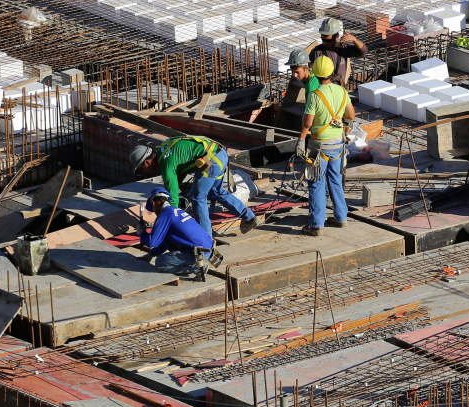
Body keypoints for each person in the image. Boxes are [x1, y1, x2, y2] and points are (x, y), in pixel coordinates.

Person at [129, 137, 263, 237]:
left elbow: (173, 199)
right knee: (216, 191)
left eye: (142, 168)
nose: (144, 172)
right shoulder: (164, 148)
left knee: (197, 197)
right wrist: (178, 186)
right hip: (219, 154)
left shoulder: (166, 164)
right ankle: (250, 218)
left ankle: (205, 236)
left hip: (210, 162)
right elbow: (182, 164)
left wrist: (169, 221)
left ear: (147, 162)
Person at [296, 55, 355, 236]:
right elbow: (351, 116)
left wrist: (301, 139)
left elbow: (307, 122)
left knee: (315, 182)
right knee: (336, 179)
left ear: (315, 72)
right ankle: (341, 217)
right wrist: (340, 125)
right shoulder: (341, 91)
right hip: (338, 143)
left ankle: (316, 225)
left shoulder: (314, 96)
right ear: (331, 72)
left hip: (317, 145)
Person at [139, 187, 222, 277]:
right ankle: (195, 264)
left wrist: (141, 232)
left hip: (198, 253)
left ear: (154, 203)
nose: (154, 211)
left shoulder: (165, 215)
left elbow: (152, 242)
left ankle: (196, 268)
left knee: (161, 263)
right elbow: (164, 241)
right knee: (166, 236)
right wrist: (151, 254)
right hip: (207, 249)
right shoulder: (176, 211)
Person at [308, 18, 368, 84]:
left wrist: (354, 39)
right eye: (323, 40)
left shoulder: (343, 48)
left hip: (340, 90)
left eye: (328, 40)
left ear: (336, 37)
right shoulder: (316, 52)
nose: (325, 43)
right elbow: (310, 74)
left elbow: (363, 51)